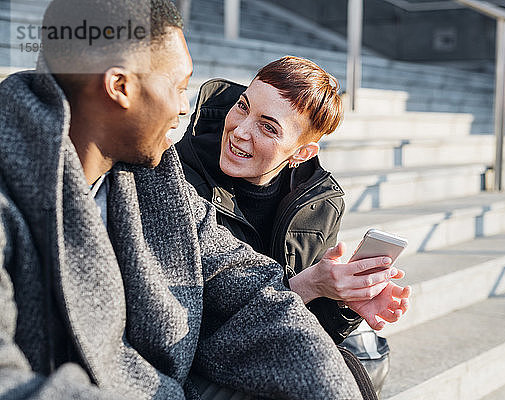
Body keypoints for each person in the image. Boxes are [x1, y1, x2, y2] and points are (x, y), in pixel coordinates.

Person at [0, 1, 366, 399]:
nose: (184, 107)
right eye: (178, 87)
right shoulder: (13, 187)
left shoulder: (158, 178)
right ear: (120, 86)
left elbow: (248, 287)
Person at [176, 57, 411, 391]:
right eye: (243, 107)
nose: (241, 131)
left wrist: (344, 302)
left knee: (366, 360)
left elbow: (308, 329)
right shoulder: (178, 180)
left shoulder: (320, 204)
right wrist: (310, 285)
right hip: (204, 359)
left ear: (301, 153)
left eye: (268, 127)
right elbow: (199, 333)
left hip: (271, 344)